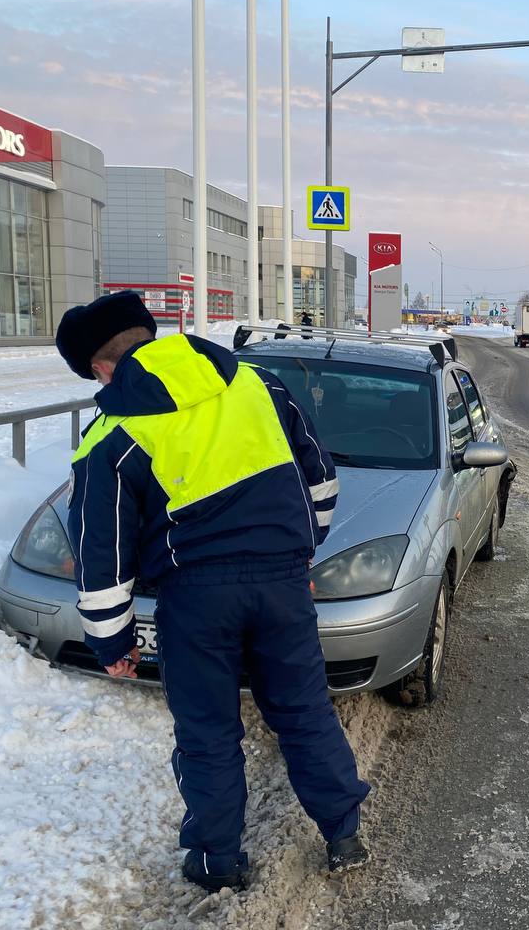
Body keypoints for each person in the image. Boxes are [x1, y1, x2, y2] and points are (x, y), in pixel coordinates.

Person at [54, 291, 370, 893]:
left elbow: (103, 553)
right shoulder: (257, 384)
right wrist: (297, 550)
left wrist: (112, 641)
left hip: (195, 598)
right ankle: (343, 833)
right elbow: (321, 477)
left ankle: (216, 860)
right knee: (304, 712)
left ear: (99, 367)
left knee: (208, 732)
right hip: (282, 587)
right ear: (151, 334)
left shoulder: (113, 435)